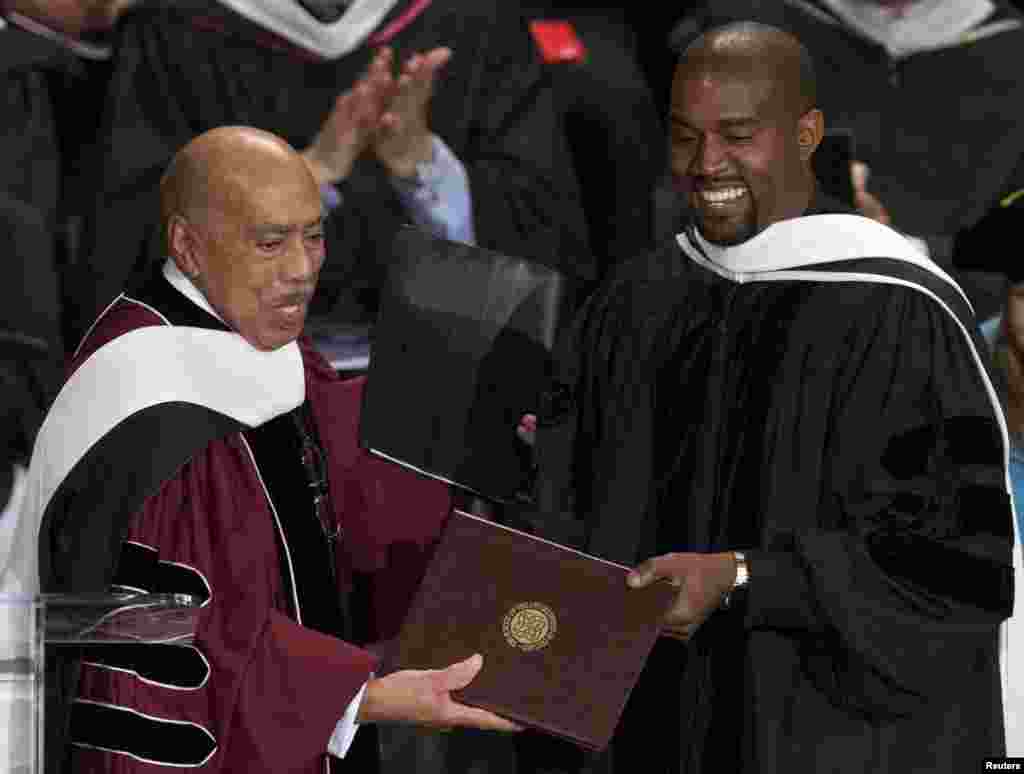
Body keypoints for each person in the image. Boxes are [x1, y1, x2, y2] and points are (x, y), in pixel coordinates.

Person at [535, 22, 1015, 773]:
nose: (706, 164)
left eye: (737, 135)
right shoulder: (637, 298)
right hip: (662, 726)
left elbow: (958, 570)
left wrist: (745, 577)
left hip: (827, 734)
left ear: (807, 134)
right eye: (686, 136)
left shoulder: (899, 313)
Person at [2, 126, 520, 774]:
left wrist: (446, 423)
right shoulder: (152, 416)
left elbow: (325, 463)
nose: (302, 270)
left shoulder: (246, 331)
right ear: (187, 246)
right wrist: (359, 695)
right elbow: (150, 640)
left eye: (313, 235)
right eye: (270, 243)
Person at [67, 0, 591, 348]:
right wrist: (308, 175)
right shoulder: (176, 29)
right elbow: (128, 242)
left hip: (444, 396)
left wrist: (423, 166)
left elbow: (550, 234)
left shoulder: (471, 18)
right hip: (229, 402)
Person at [666, 0, 1024, 322]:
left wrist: (908, 255)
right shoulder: (736, 33)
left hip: (955, 349)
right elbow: (670, 220)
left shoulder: (1011, 55)